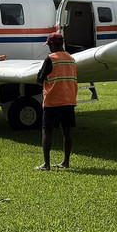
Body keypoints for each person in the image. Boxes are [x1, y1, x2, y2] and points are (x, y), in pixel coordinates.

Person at [36, 32, 77, 170]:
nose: (48, 48)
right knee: (67, 132)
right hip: (69, 99)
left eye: (49, 45)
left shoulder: (51, 59)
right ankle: (66, 162)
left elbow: (39, 78)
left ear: (53, 45)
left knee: (47, 132)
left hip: (53, 101)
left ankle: (46, 164)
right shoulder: (71, 59)